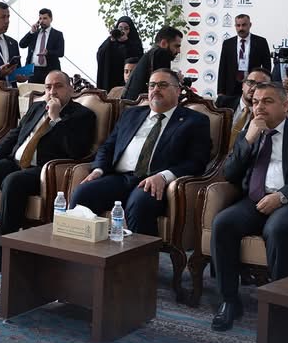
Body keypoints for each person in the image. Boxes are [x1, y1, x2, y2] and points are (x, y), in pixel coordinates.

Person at [210, 82, 288, 331]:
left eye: (267, 101)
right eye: (255, 102)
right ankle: (229, 301)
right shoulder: (250, 131)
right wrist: (248, 140)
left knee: (277, 230)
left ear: (285, 105)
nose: (259, 107)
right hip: (254, 199)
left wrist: (283, 196)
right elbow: (229, 173)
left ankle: (282, 308)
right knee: (223, 223)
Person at [0, 70, 96, 273]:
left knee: (13, 181)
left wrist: (56, 118)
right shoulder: (37, 107)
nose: (52, 92)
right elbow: (14, 135)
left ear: (70, 89)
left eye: (58, 86)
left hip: (44, 170)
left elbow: (76, 151)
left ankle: (5, 250)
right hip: (15, 161)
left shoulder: (83, 115)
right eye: (48, 87)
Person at [70, 69, 211, 236]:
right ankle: (79, 249)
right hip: (120, 178)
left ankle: (140, 253)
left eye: (163, 85)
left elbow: (197, 161)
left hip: (155, 181)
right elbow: (108, 146)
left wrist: (164, 176)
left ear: (178, 90)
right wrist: (98, 170)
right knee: (83, 193)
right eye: (152, 85)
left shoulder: (195, 121)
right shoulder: (131, 114)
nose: (156, 89)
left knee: (139, 204)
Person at [216, 14, 272, 98]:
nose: (241, 28)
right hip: (231, 87)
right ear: (235, 26)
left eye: (244, 25)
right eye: (238, 25)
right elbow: (222, 68)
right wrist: (220, 91)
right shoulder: (228, 43)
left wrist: (264, 87)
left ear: (250, 25)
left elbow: (267, 67)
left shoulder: (261, 42)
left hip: (253, 87)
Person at [216, 68, 271, 151]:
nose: (254, 88)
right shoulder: (222, 103)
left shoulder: (267, 115)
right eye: (251, 82)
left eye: (261, 85)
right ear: (243, 85)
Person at [123, 26, 183, 101]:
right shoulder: (161, 53)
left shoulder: (153, 53)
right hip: (141, 105)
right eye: (176, 46)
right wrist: (176, 80)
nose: (179, 51)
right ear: (164, 43)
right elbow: (162, 85)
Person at [96, 16, 144, 91]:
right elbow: (100, 55)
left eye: (126, 28)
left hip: (127, 82)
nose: (123, 31)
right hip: (110, 80)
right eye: (120, 28)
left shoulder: (135, 42)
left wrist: (127, 42)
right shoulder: (110, 41)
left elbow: (138, 59)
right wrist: (111, 40)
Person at [18, 8, 65, 84]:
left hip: (49, 71)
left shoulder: (57, 34)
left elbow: (60, 53)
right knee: (32, 90)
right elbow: (22, 45)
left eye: (45, 18)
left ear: (51, 19)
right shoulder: (34, 33)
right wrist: (31, 32)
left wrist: (48, 52)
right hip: (33, 71)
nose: (42, 21)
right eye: (40, 18)